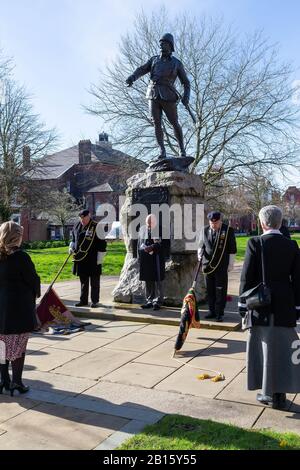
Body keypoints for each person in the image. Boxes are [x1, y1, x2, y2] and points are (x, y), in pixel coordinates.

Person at [239, 205, 300, 409]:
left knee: (264, 349)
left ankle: (268, 394)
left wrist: (242, 306)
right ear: (281, 222)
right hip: (285, 306)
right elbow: (298, 281)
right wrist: (297, 307)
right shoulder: (292, 246)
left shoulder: (254, 242)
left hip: (260, 305)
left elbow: (246, 277)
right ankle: (279, 394)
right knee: (282, 350)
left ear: (262, 223)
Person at [126, 33, 190, 159]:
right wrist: (132, 77)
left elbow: (186, 83)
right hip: (153, 92)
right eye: (160, 43)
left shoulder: (177, 63)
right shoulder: (154, 60)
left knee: (174, 122)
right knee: (156, 122)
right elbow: (142, 69)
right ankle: (162, 151)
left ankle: (182, 149)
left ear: (170, 46)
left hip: (168, 94)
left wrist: (186, 96)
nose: (161, 46)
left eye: (164, 43)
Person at [0, 221, 40, 396]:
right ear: (17, 237)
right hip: (18, 310)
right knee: (18, 347)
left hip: (1, 310)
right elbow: (33, 280)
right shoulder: (21, 257)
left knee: (1, 346)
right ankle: (16, 381)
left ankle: (3, 381)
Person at [198, 211, 237, 322]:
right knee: (210, 290)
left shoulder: (228, 231)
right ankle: (212, 311)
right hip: (207, 265)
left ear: (220, 220)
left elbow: (232, 250)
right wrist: (199, 254)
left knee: (220, 289)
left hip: (221, 265)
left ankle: (219, 312)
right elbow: (201, 245)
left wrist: (231, 264)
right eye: (211, 223)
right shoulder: (204, 230)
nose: (214, 225)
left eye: (216, 223)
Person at [70, 209, 107, 308]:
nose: (82, 221)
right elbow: (74, 239)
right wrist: (71, 247)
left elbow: (102, 243)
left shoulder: (96, 226)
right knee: (83, 281)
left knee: (94, 281)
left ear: (89, 216)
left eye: (84, 218)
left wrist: (100, 257)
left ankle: (95, 301)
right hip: (80, 258)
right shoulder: (77, 225)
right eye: (81, 218)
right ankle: (83, 300)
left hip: (93, 258)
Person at [138, 214, 165, 310]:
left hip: (156, 259)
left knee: (158, 281)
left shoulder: (161, 229)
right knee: (148, 280)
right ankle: (149, 300)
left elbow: (164, 245)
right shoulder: (142, 229)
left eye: (151, 223)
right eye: (147, 223)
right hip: (146, 259)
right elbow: (139, 243)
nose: (149, 225)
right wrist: (139, 256)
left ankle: (158, 301)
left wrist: (153, 247)